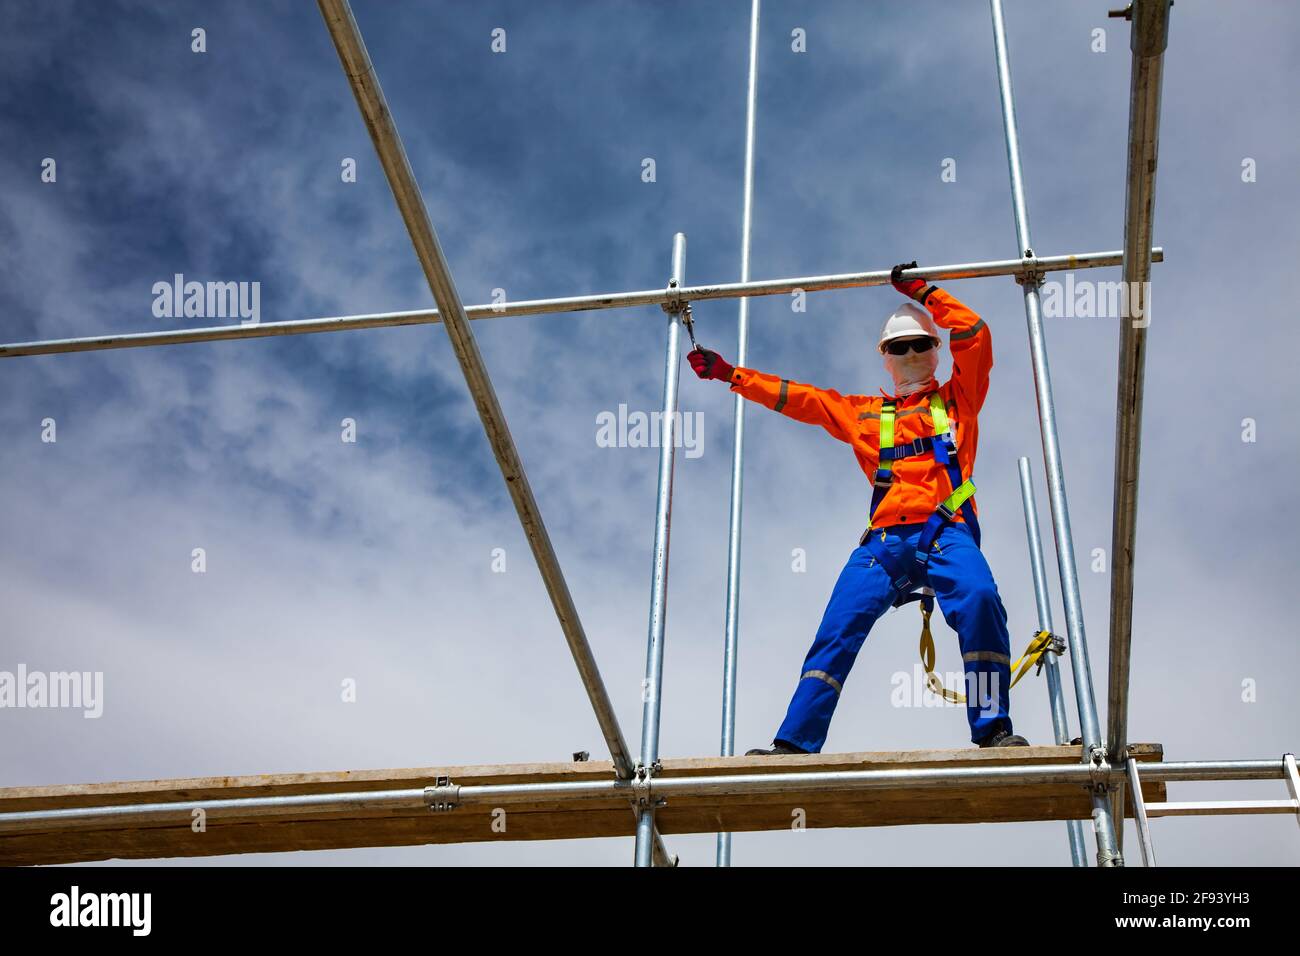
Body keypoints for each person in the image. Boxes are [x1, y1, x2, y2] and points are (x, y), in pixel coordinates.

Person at [688, 262, 1029, 753]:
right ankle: (794, 745)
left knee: (979, 601)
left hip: (947, 532)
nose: (910, 354)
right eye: (899, 347)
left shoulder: (960, 401)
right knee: (837, 629)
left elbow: (974, 333)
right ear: (884, 357)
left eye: (920, 344)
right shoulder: (862, 413)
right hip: (883, 545)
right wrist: (730, 375)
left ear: (936, 350)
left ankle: (993, 730)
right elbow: (800, 399)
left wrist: (926, 293)